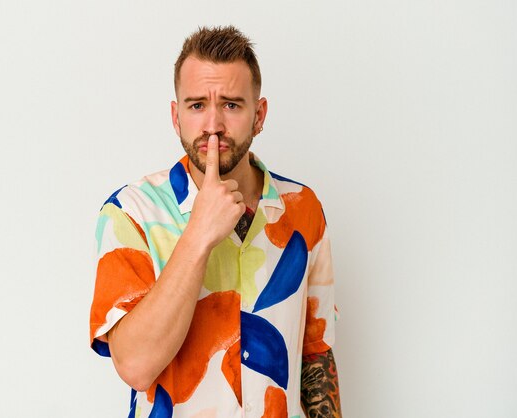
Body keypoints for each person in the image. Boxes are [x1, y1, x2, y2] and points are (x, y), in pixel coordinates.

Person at [89, 25, 341, 418]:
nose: (213, 125)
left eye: (231, 105)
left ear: (259, 115)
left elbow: (316, 353)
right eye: (196, 106)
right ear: (176, 117)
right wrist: (199, 233)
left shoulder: (302, 209)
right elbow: (135, 366)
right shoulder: (130, 213)